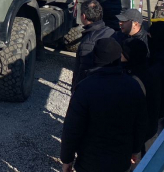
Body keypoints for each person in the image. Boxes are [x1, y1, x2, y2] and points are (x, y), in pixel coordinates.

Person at [61, 38, 148, 172]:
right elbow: (140, 123)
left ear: (96, 58)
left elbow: (72, 128)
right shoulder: (134, 86)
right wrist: (135, 149)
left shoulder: (85, 87)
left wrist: (67, 159)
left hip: (89, 162)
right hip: (121, 160)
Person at [122, 38, 161, 156]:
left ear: (130, 55)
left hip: (137, 138)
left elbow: (136, 116)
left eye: (123, 52)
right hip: (151, 131)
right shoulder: (151, 73)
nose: (120, 55)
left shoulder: (134, 80)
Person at [72, 0, 115, 92]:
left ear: (84, 16)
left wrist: (75, 90)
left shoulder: (88, 42)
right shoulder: (111, 32)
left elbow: (83, 72)